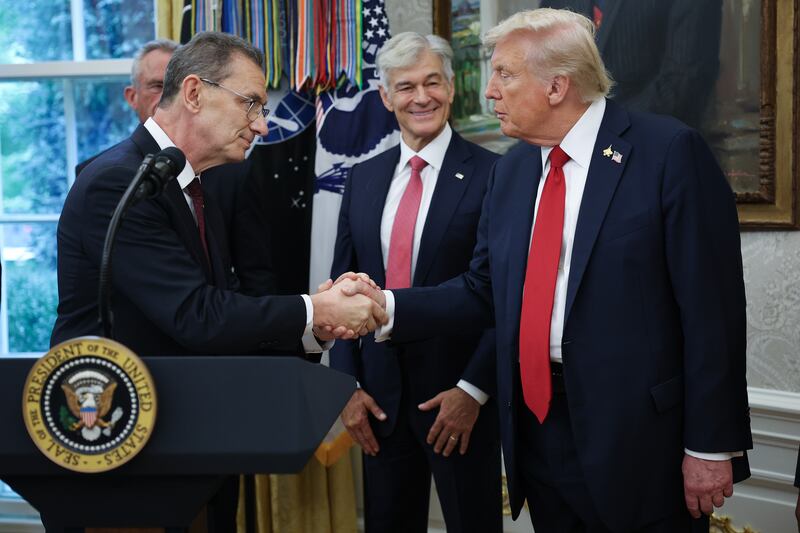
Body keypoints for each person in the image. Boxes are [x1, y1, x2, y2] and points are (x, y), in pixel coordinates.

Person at [360, 8, 752, 532]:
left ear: (557, 86)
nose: (489, 92)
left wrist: (709, 444)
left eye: (504, 74)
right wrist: (383, 305)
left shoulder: (668, 153)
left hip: (639, 441)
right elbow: (483, 291)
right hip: (537, 431)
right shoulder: (513, 170)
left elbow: (713, 312)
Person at [329, 32, 502, 533]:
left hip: (459, 401)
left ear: (452, 89)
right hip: (378, 403)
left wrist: (473, 389)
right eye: (405, 87)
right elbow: (343, 288)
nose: (421, 97)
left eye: (432, 82)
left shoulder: (497, 174)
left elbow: (501, 295)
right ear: (385, 97)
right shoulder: (362, 177)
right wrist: (347, 385)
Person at [540, 0, 722, 129]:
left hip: (649, 149)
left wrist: (595, 126)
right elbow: (543, 62)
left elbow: (686, 80)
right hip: (562, 147)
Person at [76, 39, 179, 176]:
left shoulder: (212, 166)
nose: (167, 97)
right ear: (132, 97)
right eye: (157, 86)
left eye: (176, 87)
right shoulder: (99, 173)